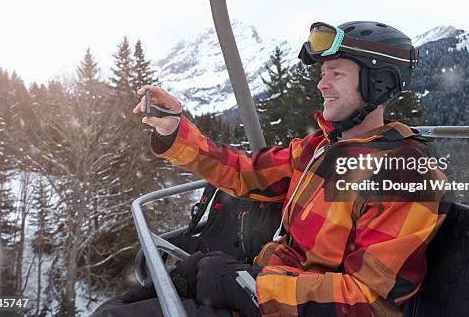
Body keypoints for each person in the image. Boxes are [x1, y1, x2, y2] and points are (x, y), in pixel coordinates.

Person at [92, 21, 450, 317]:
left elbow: (370, 303)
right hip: (269, 288)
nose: (322, 84)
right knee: (120, 306)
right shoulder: (320, 150)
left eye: (336, 74)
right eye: (322, 73)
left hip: (277, 305)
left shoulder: (406, 174)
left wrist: (246, 285)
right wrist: (174, 131)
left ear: (379, 83)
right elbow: (244, 172)